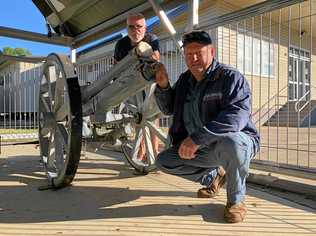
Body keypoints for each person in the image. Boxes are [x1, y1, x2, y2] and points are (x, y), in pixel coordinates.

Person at [154, 30, 260, 223]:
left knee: (232, 143)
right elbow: (168, 108)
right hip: (203, 147)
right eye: (188, 54)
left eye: (198, 52)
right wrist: (162, 86)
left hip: (235, 142)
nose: (193, 58)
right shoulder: (185, 80)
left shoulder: (230, 77)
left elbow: (235, 118)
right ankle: (213, 177)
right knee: (164, 161)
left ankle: (236, 201)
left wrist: (196, 138)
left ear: (211, 52)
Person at [114, 13, 160, 167]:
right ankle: (140, 152)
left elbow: (156, 57)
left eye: (139, 26)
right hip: (130, 86)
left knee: (152, 119)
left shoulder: (152, 39)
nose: (135, 30)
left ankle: (153, 153)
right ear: (127, 28)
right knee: (138, 120)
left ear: (145, 28)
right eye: (131, 27)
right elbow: (116, 68)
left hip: (149, 84)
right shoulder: (121, 45)